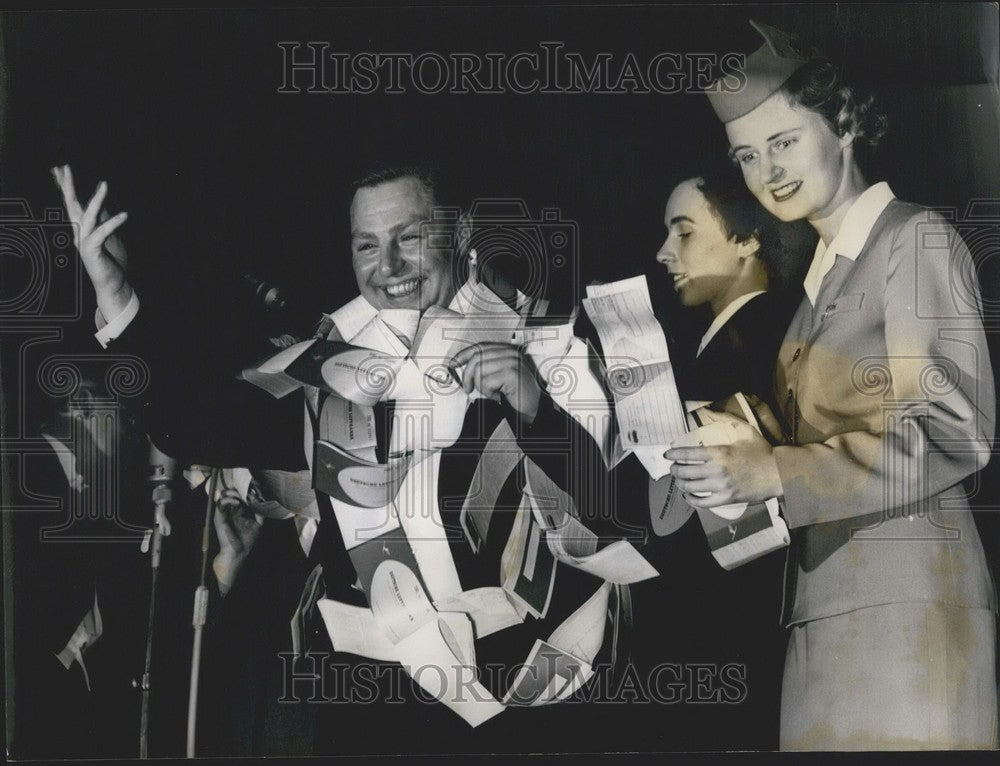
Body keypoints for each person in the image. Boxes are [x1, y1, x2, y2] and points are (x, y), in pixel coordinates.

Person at [52, 162, 630, 755]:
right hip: (371, 715)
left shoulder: (547, 343)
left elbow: (625, 520)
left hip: (530, 711)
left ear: (458, 235)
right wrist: (114, 294)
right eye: (367, 246)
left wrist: (537, 411)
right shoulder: (334, 372)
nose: (389, 267)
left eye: (409, 238)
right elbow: (194, 422)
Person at [665, 20, 998, 750]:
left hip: (908, 610)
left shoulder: (912, 240)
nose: (767, 171)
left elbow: (955, 431)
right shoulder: (816, 287)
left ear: (844, 120)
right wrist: (743, 439)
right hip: (823, 610)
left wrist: (773, 470)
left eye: (783, 142)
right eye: (746, 156)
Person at [634, 171, 805, 749]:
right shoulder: (709, 347)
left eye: (683, 233)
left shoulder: (767, 340)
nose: (664, 252)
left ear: (748, 238)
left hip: (736, 634)